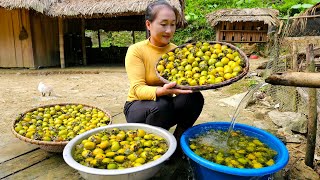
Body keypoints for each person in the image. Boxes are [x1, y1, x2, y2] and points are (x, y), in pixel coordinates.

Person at [123, 0, 204, 155]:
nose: (169, 30)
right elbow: (138, 89)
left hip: (164, 106)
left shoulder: (176, 51)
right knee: (161, 105)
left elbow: (183, 80)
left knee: (195, 98)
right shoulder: (136, 50)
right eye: (163, 24)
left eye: (173, 24)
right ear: (149, 24)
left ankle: (179, 142)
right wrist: (162, 91)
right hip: (138, 108)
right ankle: (155, 148)